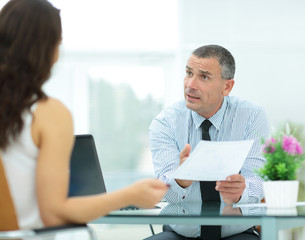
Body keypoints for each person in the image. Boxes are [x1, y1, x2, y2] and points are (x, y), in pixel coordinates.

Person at [0, 0, 168, 230]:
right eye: (58, 43)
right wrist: (130, 195)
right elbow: (53, 214)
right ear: (46, 50)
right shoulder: (48, 113)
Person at [147, 45, 270, 239]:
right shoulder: (165, 122)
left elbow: (259, 180)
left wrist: (240, 192)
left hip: (237, 234)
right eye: (189, 73)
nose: (190, 84)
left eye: (204, 77)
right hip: (180, 235)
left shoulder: (252, 117)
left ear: (227, 86)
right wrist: (181, 180)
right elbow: (163, 194)